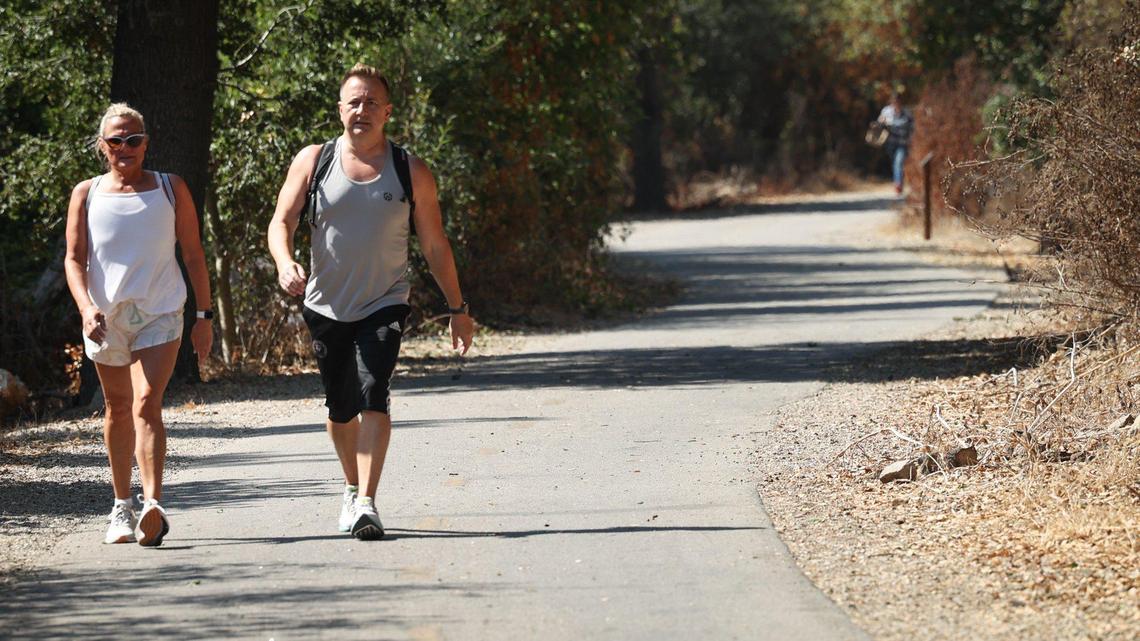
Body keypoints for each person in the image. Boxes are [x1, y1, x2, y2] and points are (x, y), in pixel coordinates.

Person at [268, 64, 474, 541]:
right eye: (353, 102)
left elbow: (436, 245)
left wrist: (458, 309)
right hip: (325, 304)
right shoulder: (314, 160)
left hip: (386, 301)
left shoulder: (409, 170)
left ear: (387, 111)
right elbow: (282, 221)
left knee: (373, 390)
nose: (361, 110)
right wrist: (284, 262)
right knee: (340, 409)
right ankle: (350, 485)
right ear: (340, 109)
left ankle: (366, 501)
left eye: (370, 102)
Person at [64, 103, 214, 546]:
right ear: (102, 146)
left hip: (161, 310)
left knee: (148, 400)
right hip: (105, 317)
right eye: (116, 140)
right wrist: (86, 308)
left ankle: (153, 504)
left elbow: (194, 256)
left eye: (133, 139)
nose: (125, 147)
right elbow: (74, 260)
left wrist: (203, 317)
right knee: (117, 406)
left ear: (146, 144)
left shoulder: (171, 189)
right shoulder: (86, 193)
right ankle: (120, 505)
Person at [878, 91, 914, 195]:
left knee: (899, 162)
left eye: (897, 101)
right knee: (895, 163)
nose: (895, 103)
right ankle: (898, 182)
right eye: (894, 101)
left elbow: (913, 127)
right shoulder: (886, 111)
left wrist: (911, 139)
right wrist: (882, 121)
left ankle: (898, 185)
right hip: (890, 142)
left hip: (902, 142)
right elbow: (879, 124)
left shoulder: (907, 113)